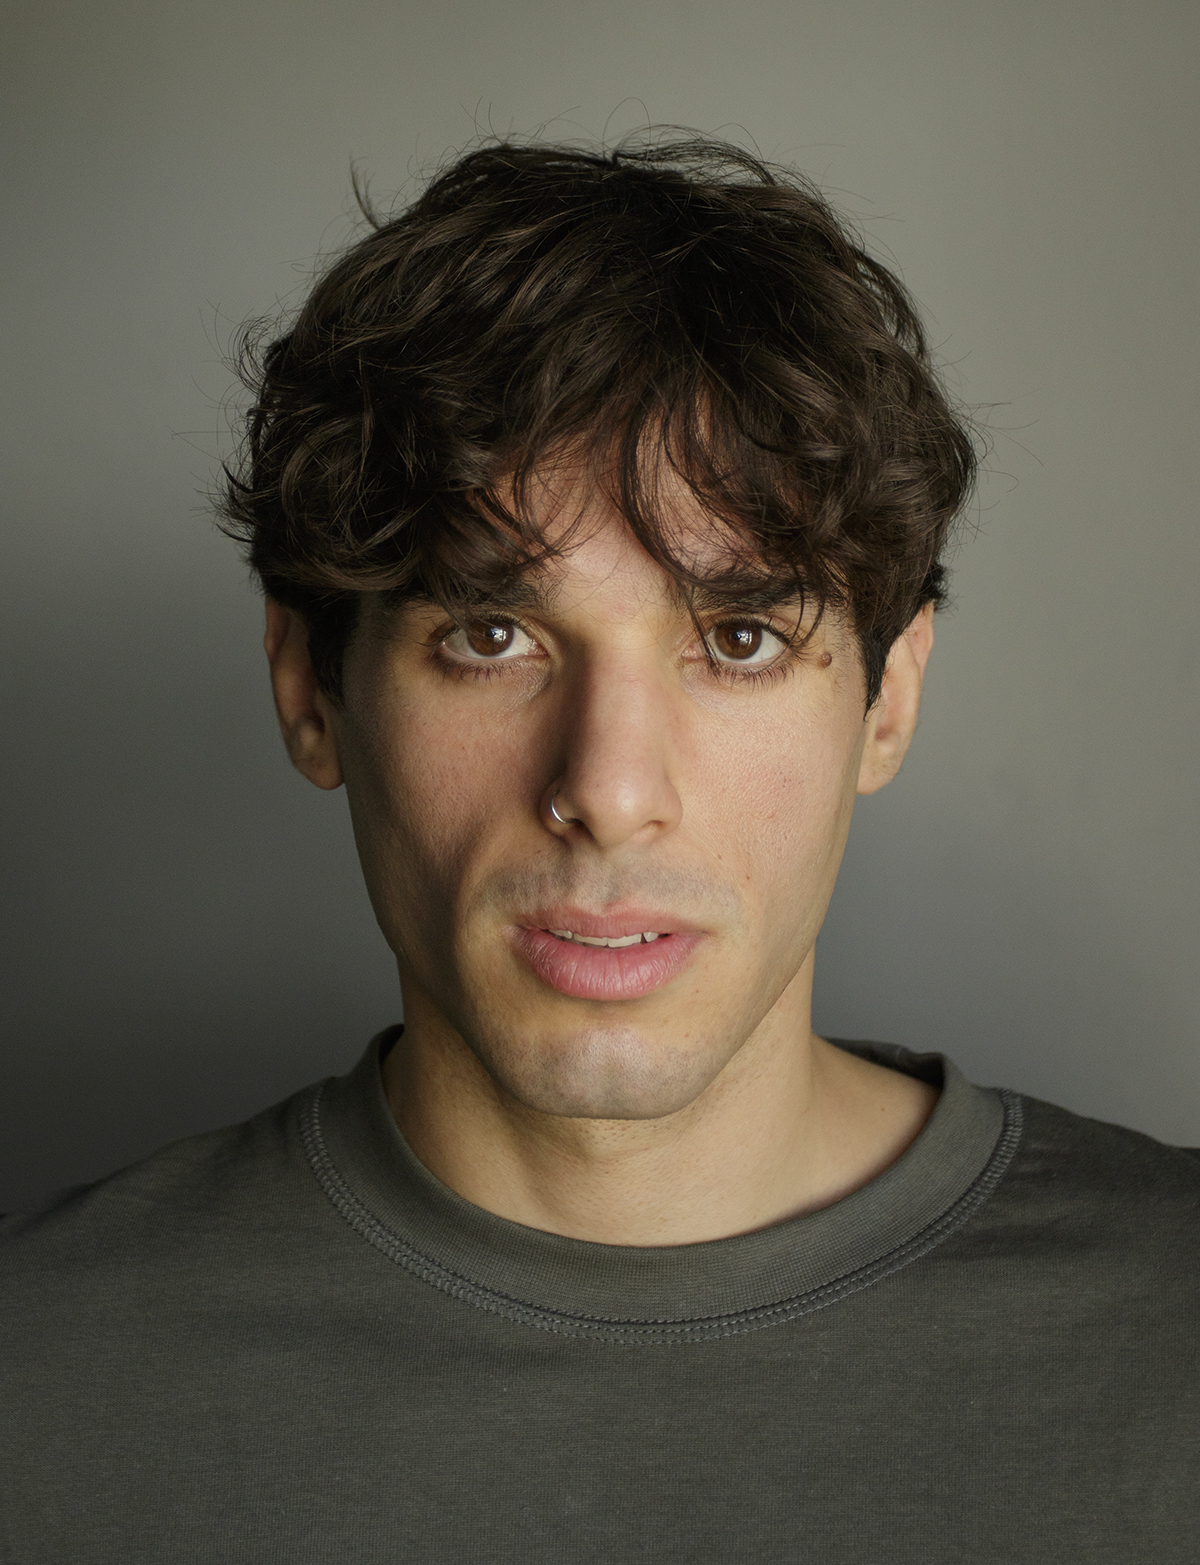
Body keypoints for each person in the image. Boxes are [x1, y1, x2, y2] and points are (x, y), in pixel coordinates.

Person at [2, 135, 1196, 1564]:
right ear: (310, 687)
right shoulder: (38, 1380)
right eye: (490, 634)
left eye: (738, 639)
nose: (611, 790)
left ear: (889, 702)